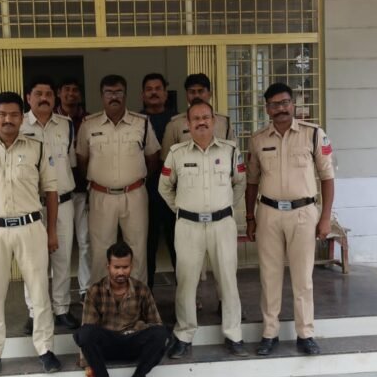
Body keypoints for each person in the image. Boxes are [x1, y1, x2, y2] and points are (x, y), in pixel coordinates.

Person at [0, 91, 62, 377]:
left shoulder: (37, 148)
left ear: (22, 117)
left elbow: (51, 192)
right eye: (3, 114)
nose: (8, 119)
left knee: (39, 291)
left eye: (14, 114)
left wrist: (51, 232)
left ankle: (45, 349)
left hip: (30, 228)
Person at [245, 82, 335, 356]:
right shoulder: (258, 140)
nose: (281, 109)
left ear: (293, 104)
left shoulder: (313, 134)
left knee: (302, 277)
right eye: (274, 104)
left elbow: (327, 177)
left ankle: (305, 334)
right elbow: (251, 182)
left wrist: (325, 217)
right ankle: (269, 333)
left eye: (285, 103)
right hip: (269, 213)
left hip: (303, 213)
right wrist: (250, 217)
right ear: (267, 109)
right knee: (269, 276)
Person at [159, 99, 248, 358]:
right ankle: (184, 334)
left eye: (206, 117)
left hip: (222, 225)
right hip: (188, 226)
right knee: (186, 282)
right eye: (196, 118)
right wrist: (182, 209)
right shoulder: (177, 153)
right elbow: (164, 187)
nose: (201, 122)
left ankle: (234, 334)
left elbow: (240, 183)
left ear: (214, 121)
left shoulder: (230, 151)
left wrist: (225, 207)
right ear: (188, 123)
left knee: (228, 280)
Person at [75, 74, 161, 287]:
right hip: (101, 196)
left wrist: (135, 179)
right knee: (100, 251)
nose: (114, 97)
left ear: (125, 94)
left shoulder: (141, 123)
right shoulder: (89, 124)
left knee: (137, 248)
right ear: (102, 96)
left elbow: (153, 158)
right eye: (109, 92)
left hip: (135, 195)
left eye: (118, 92)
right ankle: (101, 298)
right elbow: (82, 160)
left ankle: (137, 298)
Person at [75, 241, 168, 377]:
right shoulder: (95, 291)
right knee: (84, 333)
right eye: (116, 267)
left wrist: (141, 328)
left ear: (131, 266)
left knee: (161, 333)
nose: (121, 272)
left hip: (133, 343)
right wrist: (90, 374)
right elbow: (88, 330)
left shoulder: (141, 289)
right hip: (107, 346)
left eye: (125, 267)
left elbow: (155, 323)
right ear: (108, 266)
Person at [21, 76, 80, 334]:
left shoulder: (66, 125)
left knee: (62, 258)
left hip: (64, 202)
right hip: (32, 204)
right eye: (38, 93)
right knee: (33, 262)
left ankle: (62, 309)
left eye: (48, 94)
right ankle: (35, 312)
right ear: (28, 98)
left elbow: (70, 162)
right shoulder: (19, 125)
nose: (44, 98)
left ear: (54, 98)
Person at [139, 73, 178, 290]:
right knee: (147, 246)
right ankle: (147, 294)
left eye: (158, 88)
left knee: (178, 246)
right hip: (145, 194)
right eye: (149, 89)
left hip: (175, 195)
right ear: (142, 94)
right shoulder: (136, 122)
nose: (153, 92)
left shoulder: (178, 121)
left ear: (165, 93)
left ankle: (185, 296)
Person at [56, 77, 91, 300]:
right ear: (59, 93)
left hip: (84, 190)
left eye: (75, 90)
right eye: (66, 89)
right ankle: (60, 296)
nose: (71, 93)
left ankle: (86, 289)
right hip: (59, 194)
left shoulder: (89, 121)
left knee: (86, 241)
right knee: (61, 246)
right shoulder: (52, 121)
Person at [160, 73, 235, 162]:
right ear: (186, 95)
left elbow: (234, 155)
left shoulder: (224, 123)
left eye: (201, 91)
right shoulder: (175, 124)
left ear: (209, 94)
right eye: (192, 92)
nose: (196, 95)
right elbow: (167, 159)